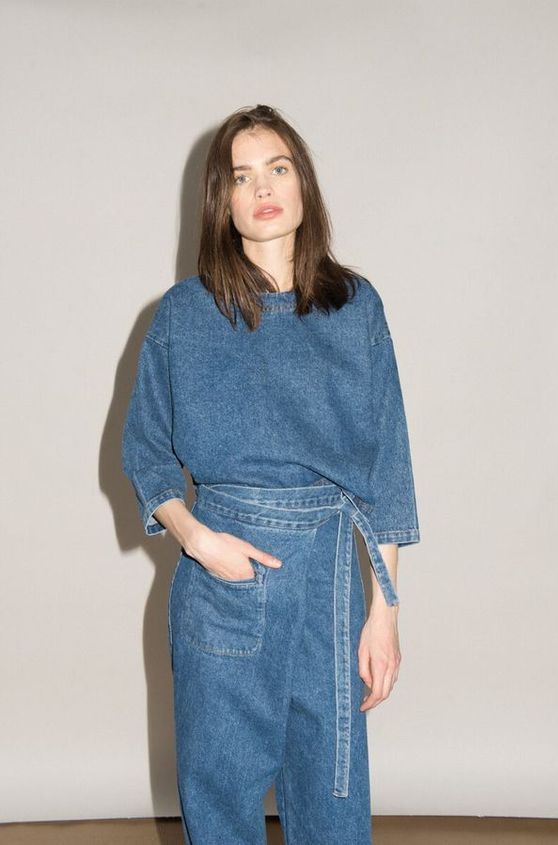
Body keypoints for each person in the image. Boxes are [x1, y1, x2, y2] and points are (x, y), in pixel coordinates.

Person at [121, 104, 421, 845]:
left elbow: (387, 464)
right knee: (220, 803)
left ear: (303, 184)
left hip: (331, 579)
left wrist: (384, 612)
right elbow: (146, 449)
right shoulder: (186, 314)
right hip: (226, 576)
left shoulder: (356, 307)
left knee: (332, 803)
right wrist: (198, 540)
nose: (262, 187)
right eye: (241, 176)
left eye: (278, 168)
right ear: (220, 200)